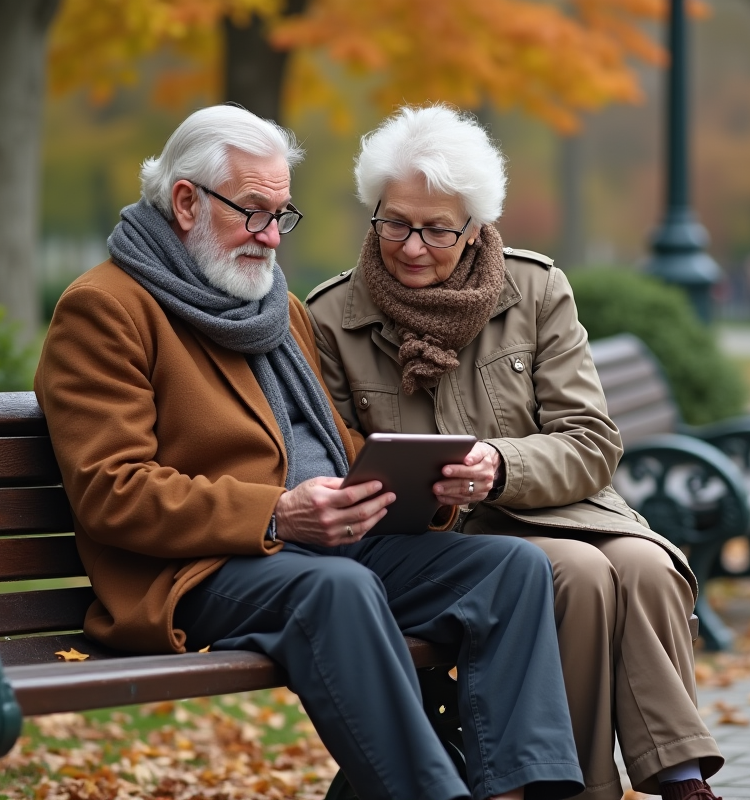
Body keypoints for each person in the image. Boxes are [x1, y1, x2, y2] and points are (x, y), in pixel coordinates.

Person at [33, 104, 585, 800]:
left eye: (281, 215)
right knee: (338, 589)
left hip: (324, 547)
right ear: (184, 202)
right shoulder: (106, 309)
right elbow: (112, 491)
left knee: (510, 569)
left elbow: (324, 444)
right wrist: (278, 514)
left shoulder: (273, 305)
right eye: (254, 212)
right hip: (200, 570)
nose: (271, 237)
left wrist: (416, 484)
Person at [306, 105, 726, 800]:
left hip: (560, 508)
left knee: (646, 565)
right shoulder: (331, 317)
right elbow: (336, 460)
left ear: (475, 228)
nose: (412, 245)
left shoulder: (534, 290)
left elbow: (591, 441)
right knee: (579, 579)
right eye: (395, 222)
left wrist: (501, 466)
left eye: (438, 229)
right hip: (446, 545)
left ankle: (682, 779)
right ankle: (581, 788)